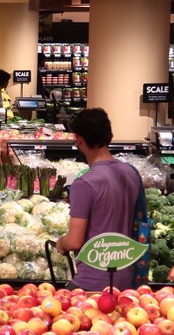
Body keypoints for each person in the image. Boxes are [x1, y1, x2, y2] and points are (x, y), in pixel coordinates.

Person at [57, 108, 143, 291]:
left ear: (79, 140)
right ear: (109, 136)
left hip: (92, 283)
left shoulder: (84, 184)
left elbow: (74, 242)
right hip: (127, 279)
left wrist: (61, 243)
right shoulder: (131, 173)